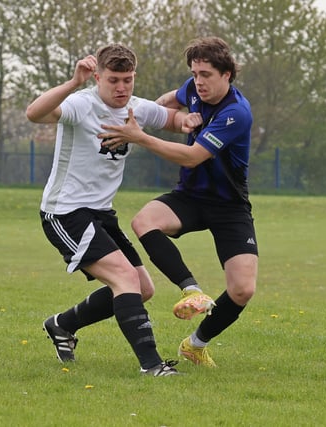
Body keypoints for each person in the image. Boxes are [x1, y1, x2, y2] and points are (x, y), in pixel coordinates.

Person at [26, 43, 198, 376]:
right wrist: (73, 83)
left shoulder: (134, 108)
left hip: (101, 213)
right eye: (114, 80)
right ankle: (152, 365)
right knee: (124, 278)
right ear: (98, 78)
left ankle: (62, 325)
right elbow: (34, 114)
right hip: (65, 212)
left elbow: (173, 120)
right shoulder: (80, 104)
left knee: (143, 288)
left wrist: (190, 118)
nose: (121, 88)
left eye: (128, 80)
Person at [99, 36, 258, 367]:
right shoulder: (192, 89)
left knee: (242, 290)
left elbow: (192, 157)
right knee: (144, 221)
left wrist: (139, 137)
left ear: (227, 74)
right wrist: (155, 118)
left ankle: (195, 344)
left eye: (207, 75)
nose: (198, 81)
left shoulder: (235, 113)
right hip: (190, 196)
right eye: (195, 73)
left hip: (229, 205)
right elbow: (168, 102)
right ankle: (191, 290)